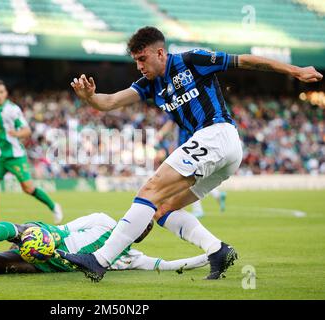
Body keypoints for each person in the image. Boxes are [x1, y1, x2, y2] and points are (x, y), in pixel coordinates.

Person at [59, 26, 323, 281]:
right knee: (161, 209)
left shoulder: (192, 60)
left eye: (143, 58)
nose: (139, 66)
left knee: (149, 191)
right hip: (221, 150)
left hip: (216, 134)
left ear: (160, 53)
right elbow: (112, 101)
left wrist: (294, 70)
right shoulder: (149, 84)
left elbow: (245, 61)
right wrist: (90, 98)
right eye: (136, 61)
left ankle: (100, 260)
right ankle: (217, 250)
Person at [0, 213, 208, 275]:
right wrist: (40, 238)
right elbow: (63, 228)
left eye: (143, 230)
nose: (138, 231)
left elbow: (165, 266)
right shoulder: (102, 219)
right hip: (50, 237)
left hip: (43, 263)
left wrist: (207, 256)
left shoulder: (130, 257)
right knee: (23, 230)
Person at [0, 79, 63, 228]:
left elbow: (27, 130)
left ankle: (54, 206)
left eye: (1, 92)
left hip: (15, 156)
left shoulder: (12, 110)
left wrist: (17, 134)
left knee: (28, 188)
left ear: (6, 93)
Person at [157, 119, 227, 217]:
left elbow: (170, 122)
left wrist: (160, 134)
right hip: (197, 148)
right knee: (195, 178)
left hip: (187, 149)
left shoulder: (181, 112)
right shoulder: (194, 116)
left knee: (189, 179)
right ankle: (217, 194)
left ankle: (198, 209)